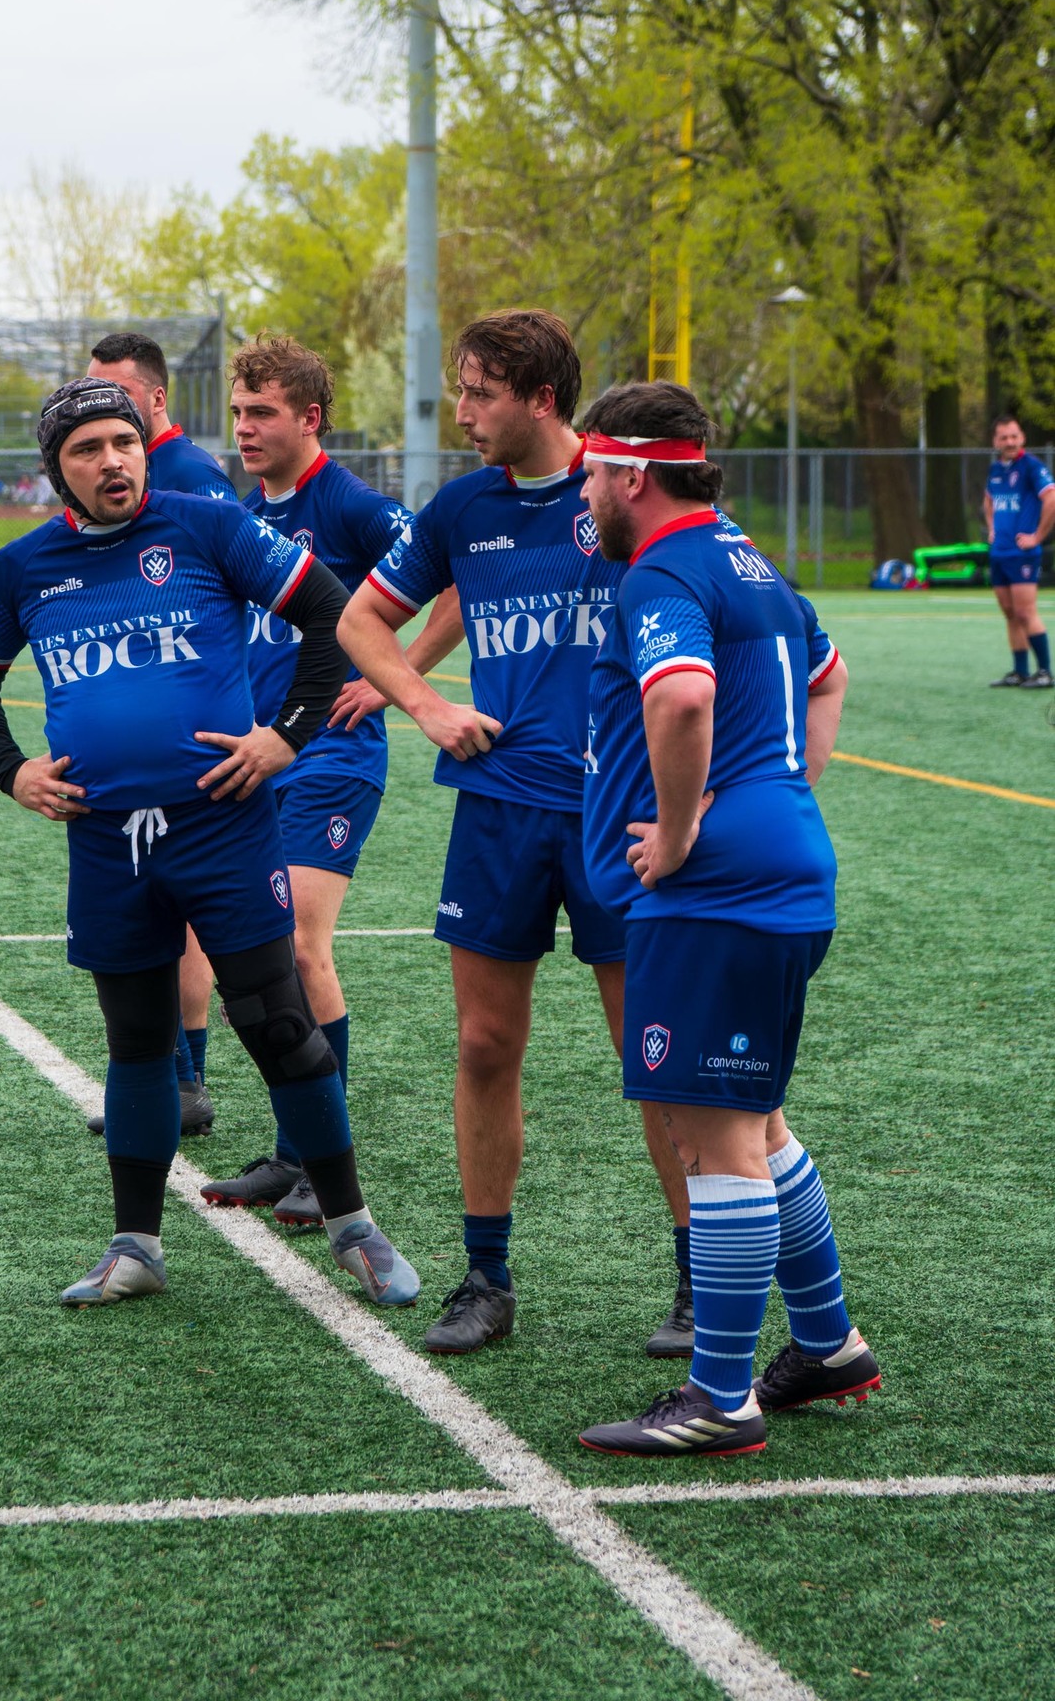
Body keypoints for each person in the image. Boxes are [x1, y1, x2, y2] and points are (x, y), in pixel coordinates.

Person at [0, 375, 419, 1310]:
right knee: (138, 1044)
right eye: (87, 449)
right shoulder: (22, 567)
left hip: (223, 828)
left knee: (277, 1023)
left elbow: (331, 615)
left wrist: (285, 735)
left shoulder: (206, 525)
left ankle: (352, 1225)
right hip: (107, 844)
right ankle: (135, 1248)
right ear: (58, 471)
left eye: (124, 441)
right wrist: (12, 771)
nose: (112, 460)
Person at [339, 310, 693, 1358]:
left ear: (541, 399)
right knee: (485, 1043)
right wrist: (426, 705)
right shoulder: (462, 507)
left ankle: (697, 1281)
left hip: (623, 815)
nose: (461, 412)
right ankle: (486, 1277)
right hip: (498, 810)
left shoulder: (623, 490)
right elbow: (361, 620)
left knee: (652, 1051)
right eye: (460, 389)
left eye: (479, 392)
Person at [574, 379, 878, 1457]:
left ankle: (720, 1397)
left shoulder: (665, 568)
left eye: (592, 473)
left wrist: (681, 828)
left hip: (719, 892)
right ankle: (829, 1343)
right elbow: (830, 677)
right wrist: (772, 791)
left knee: (714, 1142)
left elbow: (683, 695)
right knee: (758, 1124)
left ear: (633, 475)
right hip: (776, 867)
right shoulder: (749, 558)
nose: (585, 493)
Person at [200, 335, 462, 1229]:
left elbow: (456, 583)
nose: (244, 428)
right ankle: (292, 1151)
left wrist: (392, 677)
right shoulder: (243, 514)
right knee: (264, 958)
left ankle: (324, 1161)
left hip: (332, 758)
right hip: (261, 756)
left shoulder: (352, 507)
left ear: (310, 418)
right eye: (238, 412)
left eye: (262, 412)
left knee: (302, 949)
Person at [86, 328, 241, 1134]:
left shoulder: (188, 475)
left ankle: (183, 1082)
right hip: (136, 749)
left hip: (193, 747)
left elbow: (234, 598)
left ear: (154, 398)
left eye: (116, 395)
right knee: (160, 921)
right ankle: (176, 1084)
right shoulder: (119, 475)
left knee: (181, 922)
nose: (102, 412)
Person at [984, 414, 1055, 689]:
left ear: (1022, 437)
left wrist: (1037, 536)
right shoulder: (995, 469)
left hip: (1022, 554)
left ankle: (1045, 672)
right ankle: (1020, 671)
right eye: (1004, 437)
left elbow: (1051, 499)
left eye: (1014, 436)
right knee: (1010, 613)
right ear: (995, 441)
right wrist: (992, 528)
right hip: (999, 552)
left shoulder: (1032, 467)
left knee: (1025, 612)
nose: (1010, 442)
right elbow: (988, 501)